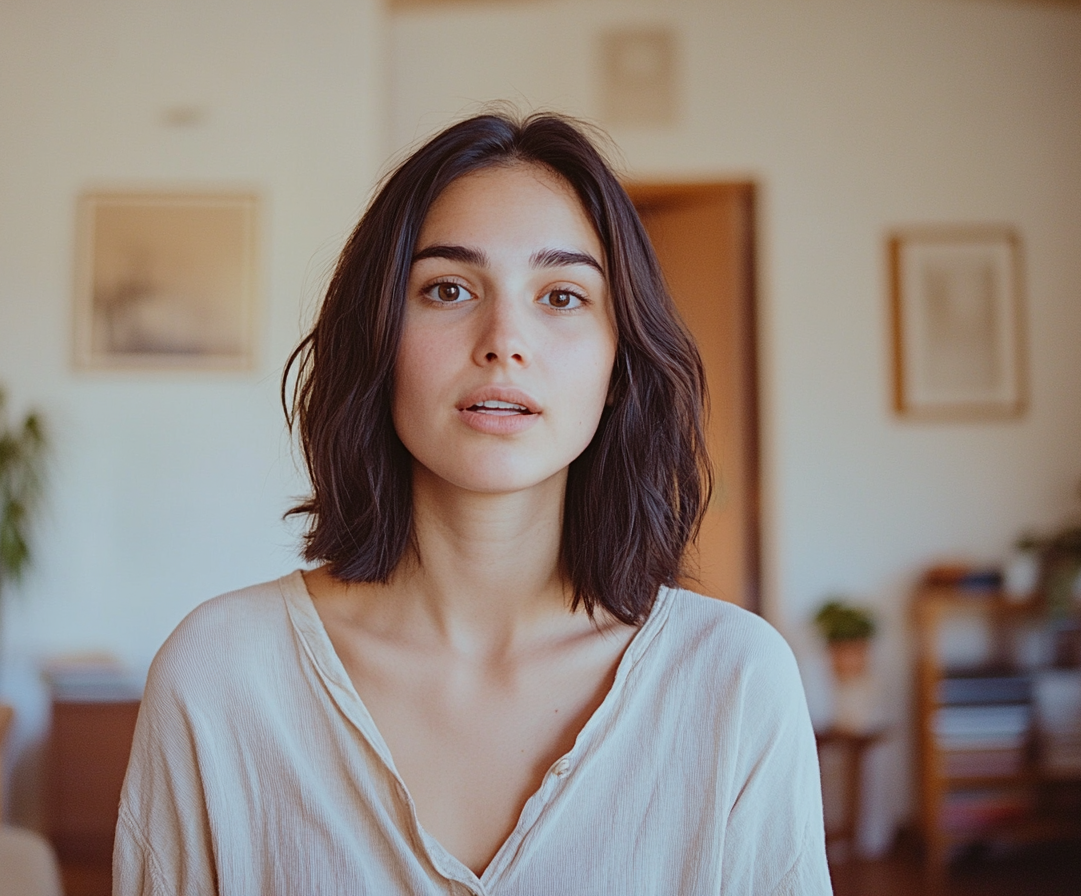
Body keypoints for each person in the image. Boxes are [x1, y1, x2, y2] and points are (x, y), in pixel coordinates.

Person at [113, 112, 830, 895]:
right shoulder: (219, 677)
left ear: (619, 363)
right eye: (449, 289)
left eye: (561, 295)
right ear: (377, 338)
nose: (503, 340)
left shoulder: (735, 684)